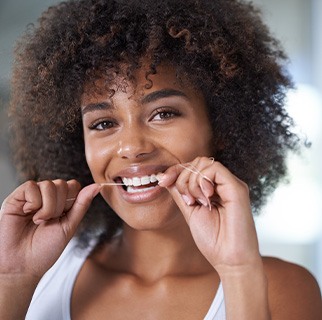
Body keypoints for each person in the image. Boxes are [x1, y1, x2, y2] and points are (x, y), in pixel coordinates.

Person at [0, 0, 321, 318]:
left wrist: (238, 272)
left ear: (221, 126)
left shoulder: (281, 289)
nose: (131, 147)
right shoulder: (37, 274)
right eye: (103, 124)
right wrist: (13, 280)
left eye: (163, 113)